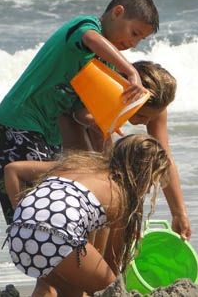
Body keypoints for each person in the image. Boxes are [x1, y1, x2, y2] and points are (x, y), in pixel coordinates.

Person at [0, 0, 158, 296]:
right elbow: (91, 39)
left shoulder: (102, 63)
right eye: (133, 33)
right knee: (36, 217)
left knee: (53, 238)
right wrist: (130, 72)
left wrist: (105, 120)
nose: (132, 43)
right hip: (18, 121)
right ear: (117, 12)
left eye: (140, 40)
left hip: (46, 130)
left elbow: (80, 111)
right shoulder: (85, 28)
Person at [3, 134, 170, 296]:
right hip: (56, 238)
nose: (148, 189)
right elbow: (112, 260)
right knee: (112, 292)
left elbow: (12, 169)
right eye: (152, 181)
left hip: (18, 236)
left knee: (73, 291)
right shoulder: (121, 194)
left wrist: (26, 218)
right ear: (144, 173)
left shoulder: (78, 166)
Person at [60, 60, 191, 240]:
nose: (146, 122)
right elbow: (101, 162)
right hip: (50, 129)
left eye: (151, 117)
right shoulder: (103, 95)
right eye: (141, 115)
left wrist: (179, 213)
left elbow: (164, 156)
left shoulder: (154, 103)